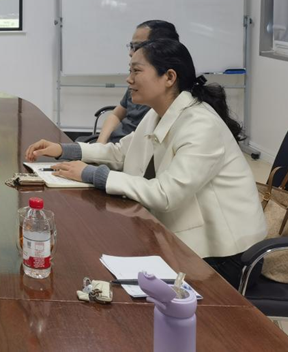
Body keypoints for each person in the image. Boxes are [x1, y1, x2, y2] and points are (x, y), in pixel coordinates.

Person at [26, 39, 266, 288]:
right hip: (187, 241)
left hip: (227, 257)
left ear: (169, 77)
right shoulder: (157, 113)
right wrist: (64, 150)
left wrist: (92, 174)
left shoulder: (201, 125)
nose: (129, 79)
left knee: (107, 275)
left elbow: (166, 194)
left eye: (136, 71)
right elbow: (121, 153)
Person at [78, 19, 180, 144]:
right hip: (115, 147)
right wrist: (100, 144)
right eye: (131, 46)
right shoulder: (136, 81)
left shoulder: (168, 98)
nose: (131, 53)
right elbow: (116, 115)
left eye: (137, 47)